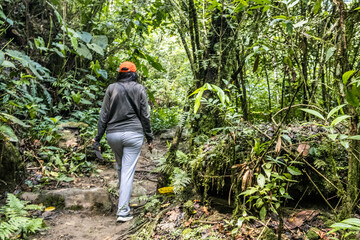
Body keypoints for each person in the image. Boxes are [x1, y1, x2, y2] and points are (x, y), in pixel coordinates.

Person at [92, 61, 153, 222]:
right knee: (127, 171)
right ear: (133, 74)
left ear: (120, 73)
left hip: (113, 135)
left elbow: (103, 115)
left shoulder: (111, 88)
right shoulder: (139, 88)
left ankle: (122, 201)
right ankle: (123, 211)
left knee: (120, 167)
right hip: (133, 134)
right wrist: (150, 137)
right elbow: (145, 116)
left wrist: (98, 138)